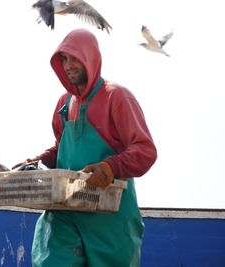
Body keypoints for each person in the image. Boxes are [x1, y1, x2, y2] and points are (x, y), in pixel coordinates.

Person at [14, 29, 157, 266]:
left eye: (74, 57)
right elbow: (61, 149)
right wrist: (38, 161)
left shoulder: (117, 97)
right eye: (64, 59)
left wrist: (110, 168)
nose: (68, 65)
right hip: (67, 209)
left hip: (110, 218)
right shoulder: (64, 103)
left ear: (90, 57)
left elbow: (145, 151)